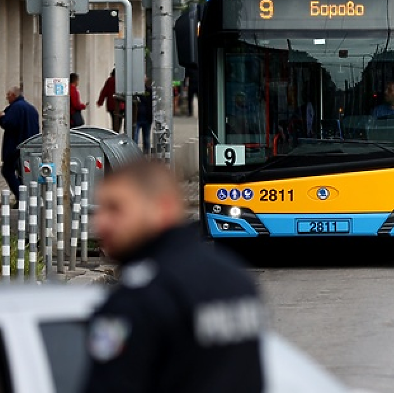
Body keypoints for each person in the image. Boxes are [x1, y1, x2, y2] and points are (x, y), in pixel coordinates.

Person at [83, 160, 264, 393]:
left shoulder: (137, 300)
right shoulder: (235, 279)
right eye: (100, 210)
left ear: (163, 208)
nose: (100, 223)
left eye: (115, 209)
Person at [0, 86, 39, 200]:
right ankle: (24, 197)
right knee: (24, 173)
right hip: (30, 146)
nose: (7, 98)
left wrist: (1, 117)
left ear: (13, 95)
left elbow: (8, 123)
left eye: (8, 95)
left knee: (7, 170)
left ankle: (21, 196)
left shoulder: (15, 108)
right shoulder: (31, 108)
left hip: (15, 147)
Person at [134, 78, 153, 154]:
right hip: (137, 118)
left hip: (147, 118)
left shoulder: (149, 91)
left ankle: (146, 155)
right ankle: (135, 155)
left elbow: (152, 103)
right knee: (135, 139)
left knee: (146, 139)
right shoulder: (135, 92)